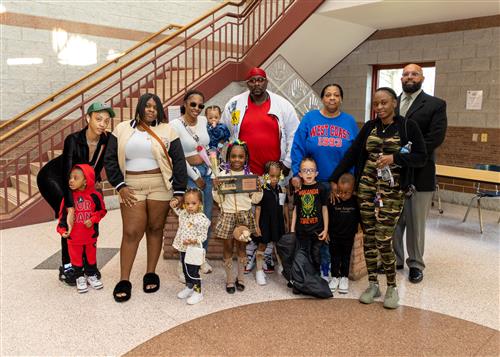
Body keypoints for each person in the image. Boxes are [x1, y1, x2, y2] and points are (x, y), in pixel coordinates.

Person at [329, 87, 427, 309]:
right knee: (370, 238)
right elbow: (353, 153)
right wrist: (335, 178)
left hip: (391, 192)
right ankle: (373, 284)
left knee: (384, 239)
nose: (380, 107)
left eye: (384, 103)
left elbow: (421, 157)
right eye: (376, 104)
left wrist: (395, 158)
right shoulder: (370, 127)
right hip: (367, 188)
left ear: (394, 103)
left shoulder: (407, 126)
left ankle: (392, 286)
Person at [104, 93, 187, 303]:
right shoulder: (122, 128)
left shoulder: (168, 130)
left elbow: (178, 161)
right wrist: (119, 185)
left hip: (160, 184)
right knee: (131, 232)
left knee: (155, 228)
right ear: (140, 107)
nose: (151, 109)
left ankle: (151, 272)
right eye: (147, 106)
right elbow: (110, 159)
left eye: (155, 107)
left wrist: (179, 190)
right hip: (131, 186)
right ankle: (124, 279)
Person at [221, 67, 299, 273]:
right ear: (247, 83)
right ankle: (250, 253)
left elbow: (293, 134)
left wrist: (288, 163)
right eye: (252, 81)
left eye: (260, 80)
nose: (256, 84)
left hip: (274, 175)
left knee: (272, 215)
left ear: (266, 82)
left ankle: (267, 257)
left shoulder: (282, 105)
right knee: (249, 214)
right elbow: (226, 132)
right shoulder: (235, 104)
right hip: (247, 174)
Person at [37, 101, 114, 285]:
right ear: (88, 118)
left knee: (85, 216)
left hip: (79, 182)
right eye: (98, 119)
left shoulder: (107, 139)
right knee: (70, 219)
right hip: (53, 178)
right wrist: (70, 206)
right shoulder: (73, 139)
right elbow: (66, 174)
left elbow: (97, 167)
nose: (102, 123)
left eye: (106, 120)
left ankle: (87, 265)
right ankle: (68, 266)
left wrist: (95, 184)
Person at [290, 83, 359, 279]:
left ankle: (329, 269)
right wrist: (297, 174)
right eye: (328, 95)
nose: (332, 98)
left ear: (341, 99)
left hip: (337, 186)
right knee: (311, 227)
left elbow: (355, 154)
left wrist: (348, 183)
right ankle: (310, 266)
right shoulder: (310, 119)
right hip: (311, 184)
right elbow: (298, 147)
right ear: (322, 98)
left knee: (331, 230)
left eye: (336, 95)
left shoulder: (349, 122)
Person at [393, 63, 448, 284]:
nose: (409, 77)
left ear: (422, 78)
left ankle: (415, 264)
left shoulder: (435, 105)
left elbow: (436, 137)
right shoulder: (391, 103)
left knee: (415, 220)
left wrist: (407, 151)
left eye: (414, 74)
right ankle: (395, 258)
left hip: (420, 171)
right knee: (394, 218)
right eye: (405, 74)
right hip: (394, 171)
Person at [169, 90, 214, 274]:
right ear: (185, 103)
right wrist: (196, 177)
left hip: (206, 173)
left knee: (204, 219)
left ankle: (200, 257)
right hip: (188, 175)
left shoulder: (203, 121)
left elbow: (208, 147)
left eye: (200, 105)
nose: (197, 108)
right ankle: (184, 263)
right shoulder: (175, 125)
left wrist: (212, 170)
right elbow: (177, 157)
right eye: (193, 104)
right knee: (189, 221)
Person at [212, 140, 262, 294]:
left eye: (240, 157)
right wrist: (216, 189)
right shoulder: (222, 175)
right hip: (227, 215)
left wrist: (259, 189)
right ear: (228, 157)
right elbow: (219, 200)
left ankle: (240, 277)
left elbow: (254, 200)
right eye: (233, 156)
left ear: (246, 158)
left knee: (242, 247)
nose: (236, 160)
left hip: (244, 215)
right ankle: (229, 279)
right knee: (227, 247)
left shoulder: (249, 176)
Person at [56, 164, 107, 293]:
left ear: (86, 181)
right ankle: (79, 277)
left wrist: (93, 219)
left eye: (75, 178)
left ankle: (91, 275)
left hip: (90, 236)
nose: (71, 180)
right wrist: (62, 231)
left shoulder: (95, 196)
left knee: (91, 257)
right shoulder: (68, 199)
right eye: (70, 178)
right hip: (74, 238)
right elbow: (62, 216)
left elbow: (102, 211)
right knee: (76, 258)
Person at [171, 188, 211, 305]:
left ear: (200, 204)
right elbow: (177, 210)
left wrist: (194, 240)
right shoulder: (184, 214)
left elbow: (203, 236)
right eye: (187, 203)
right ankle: (189, 287)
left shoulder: (201, 219)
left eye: (194, 203)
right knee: (185, 269)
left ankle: (198, 292)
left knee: (194, 271)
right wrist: (173, 204)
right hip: (183, 248)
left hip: (193, 249)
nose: (190, 206)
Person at [290, 157, 329, 272]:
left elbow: (325, 210)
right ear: (300, 174)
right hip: (302, 231)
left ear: (316, 173)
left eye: (311, 170)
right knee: (303, 255)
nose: (308, 173)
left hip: (317, 230)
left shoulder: (321, 188)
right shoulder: (298, 190)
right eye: (305, 170)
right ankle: (305, 278)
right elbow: (296, 211)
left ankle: (316, 278)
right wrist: (292, 230)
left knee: (316, 254)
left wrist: (326, 229)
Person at [253, 161, 288, 285]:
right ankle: (259, 270)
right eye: (272, 176)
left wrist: (286, 222)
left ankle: (283, 268)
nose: (275, 179)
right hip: (265, 222)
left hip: (277, 221)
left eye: (277, 177)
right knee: (262, 246)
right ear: (266, 175)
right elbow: (258, 209)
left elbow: (284, 207)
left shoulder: (282, 189)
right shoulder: (261, 190)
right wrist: (257, 226)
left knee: (279, 245)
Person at [327, 172, 360, 294]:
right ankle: (335, 277)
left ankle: (344, 278)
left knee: (346, 257)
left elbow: (360, 217)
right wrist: (327, 231)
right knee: (334, 256)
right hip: (334, 235)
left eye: (347, 192)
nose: (343, 195)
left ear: (353, 190)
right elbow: (327, 216)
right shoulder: (333, 199)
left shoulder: (356, 202)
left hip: (348, 236)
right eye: (340, 191)